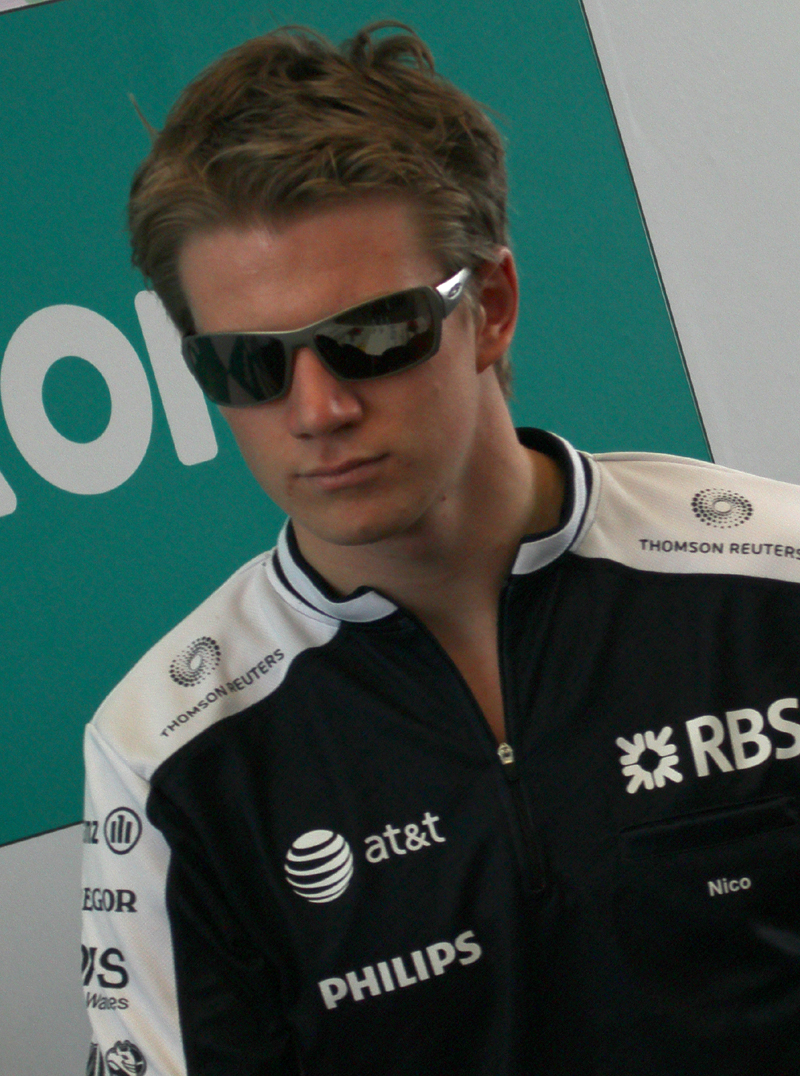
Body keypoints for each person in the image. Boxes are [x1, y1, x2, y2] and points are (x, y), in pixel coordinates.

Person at [81, 21, 800, 1076]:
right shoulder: (165, 754)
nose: (316, 410)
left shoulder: (772, 583)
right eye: (247, 365)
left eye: (370, 335)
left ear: (490, 308)